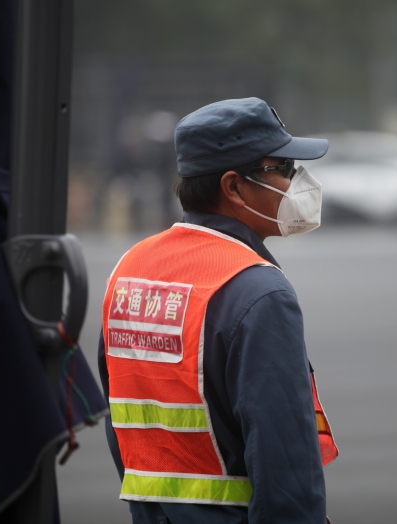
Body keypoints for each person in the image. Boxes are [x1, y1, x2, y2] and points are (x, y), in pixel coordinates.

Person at [98, 97, 338, 524]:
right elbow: (286, 472)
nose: (296, 181)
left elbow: (122, 430)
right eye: (280, 168)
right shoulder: (258, 291)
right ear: (232, 186)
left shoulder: (128, 272)